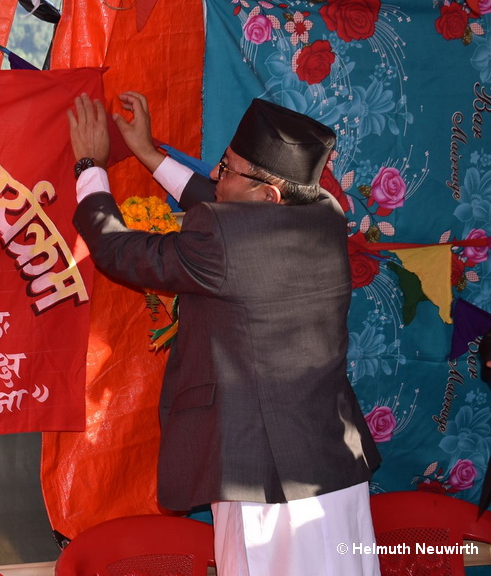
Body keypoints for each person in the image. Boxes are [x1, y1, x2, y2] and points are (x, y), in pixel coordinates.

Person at [67, 92, 383, 576]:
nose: (216, 173)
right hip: (333, 467)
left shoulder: (226, 241)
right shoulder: (323, 213)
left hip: (264, 482)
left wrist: (90, 166)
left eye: (228, 168)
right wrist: (150, 154)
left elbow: (118, 250)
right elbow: (225, 205)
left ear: (269, 196)